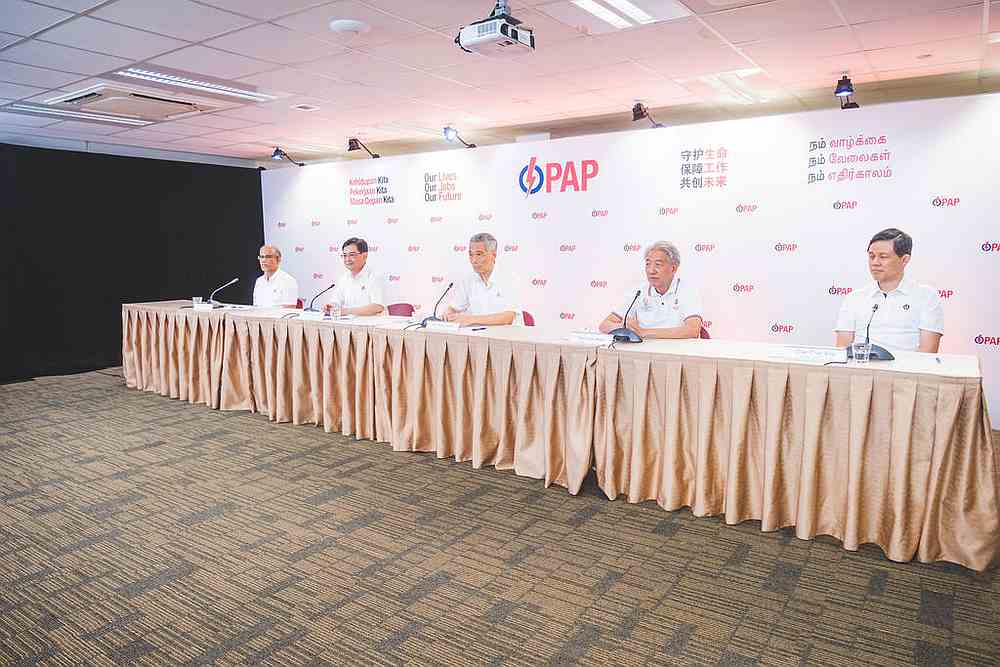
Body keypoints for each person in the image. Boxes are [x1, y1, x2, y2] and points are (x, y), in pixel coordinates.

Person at [835, 228, 943, 353]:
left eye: (883, 257)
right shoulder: (854, 298)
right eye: (872, 256)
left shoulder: (926, 297)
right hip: (861, 369)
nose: (875, 263)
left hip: (905, 371)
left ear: (904, 260)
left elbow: (928, 352)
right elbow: (842, 350)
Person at [598, 240, 703, 339]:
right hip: (644, 352)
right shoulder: (639, 292)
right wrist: (624, 327)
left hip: (676, 353)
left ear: (673, 268)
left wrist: (644, 332)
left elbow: (693, 330)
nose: (651, 270)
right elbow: (604, 325)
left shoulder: (687, 290)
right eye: (648, 264)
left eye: (658, 264)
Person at [444, 232, 517, 326]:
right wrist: (448, 314)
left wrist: (470, 319)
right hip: (479, 337)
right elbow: (453, 308)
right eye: (471, 254)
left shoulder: (509, 277)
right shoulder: (469, 280)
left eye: (479, 254)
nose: (474, 260)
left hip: (507, 337)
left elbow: (508, 317)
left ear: (493, 255)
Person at [324, 237, 385, 316]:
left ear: (364, 256)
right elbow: (336, 301)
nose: (347, 259)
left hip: (368, 326)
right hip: (346, 325)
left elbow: (377, 306)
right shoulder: (344, 278)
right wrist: (331, 307)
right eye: (344, 255)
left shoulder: (375, 276)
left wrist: (345, 311)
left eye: (352, 255)